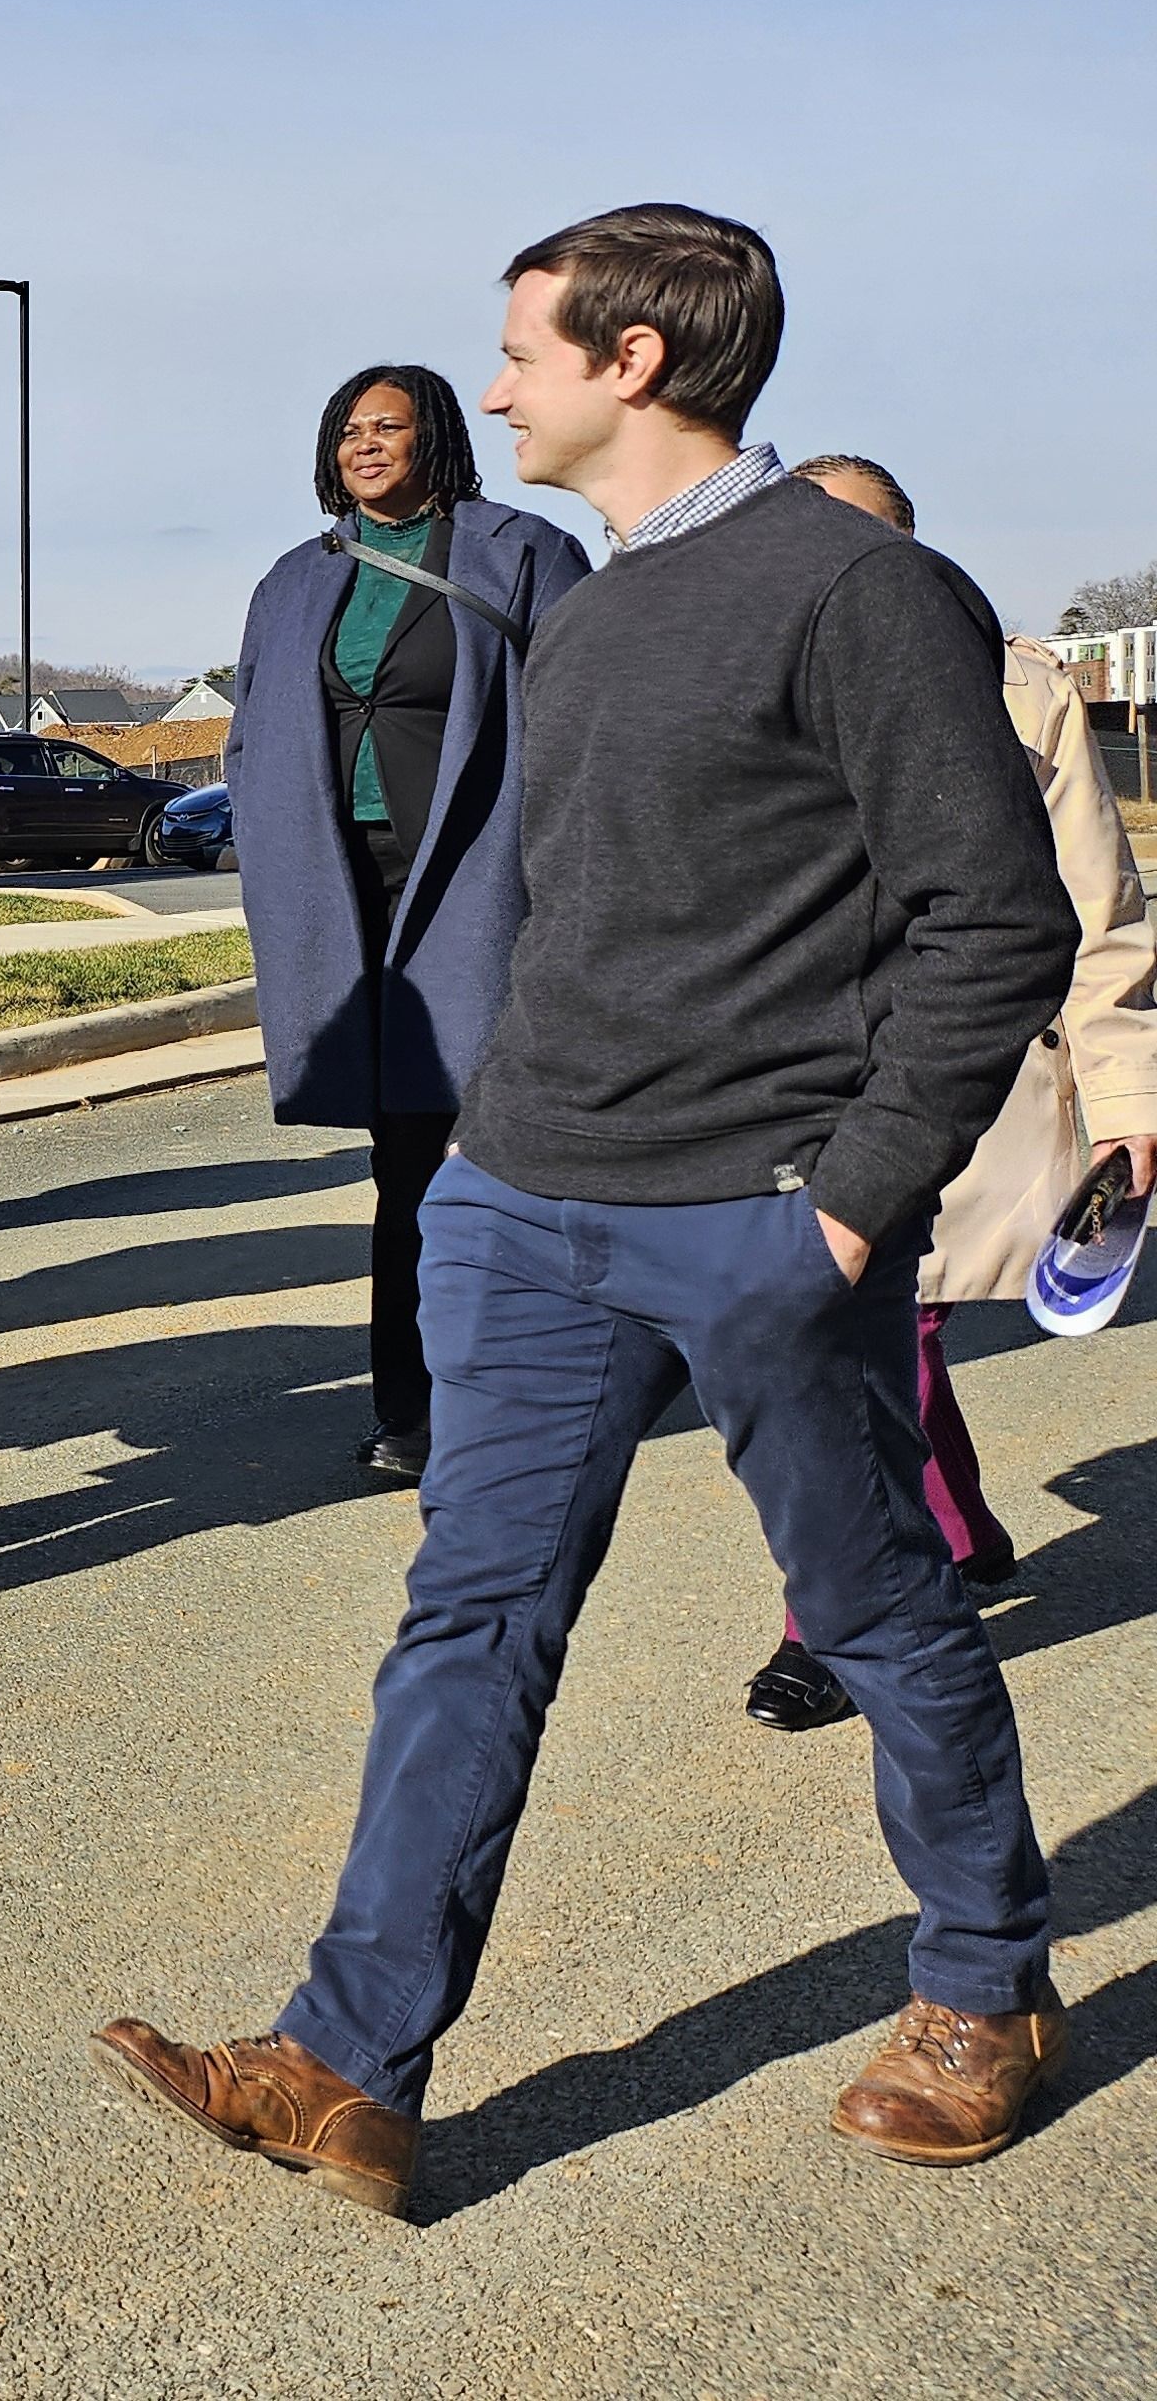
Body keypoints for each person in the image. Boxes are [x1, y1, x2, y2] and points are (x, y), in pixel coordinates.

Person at [98, 205, 1079, 2213]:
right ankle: (344, 2063)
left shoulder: (854, 589)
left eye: (521, 345)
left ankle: (983, 1983)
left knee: (878, 1607)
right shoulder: (591, 609)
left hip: (757, 1211)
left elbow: (994, 921)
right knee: (466, 1616)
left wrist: (848, 1205)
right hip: (521, 1202)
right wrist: (470, 1155)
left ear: (633, 360)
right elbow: (555, 913)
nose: (491, 385)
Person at [735, 455, 1157, 1731]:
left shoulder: (1019, 686)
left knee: (853, 1335)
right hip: (791, 1070)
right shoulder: (729, 678)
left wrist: (1130, 1104)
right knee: (854, 1334)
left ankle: (831, 1622)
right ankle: (958, 1529)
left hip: (959, 1064)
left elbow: (1101, 911)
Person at [226, 367, 592, 1484]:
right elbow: (251, 736)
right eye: (346, 429)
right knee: (406, 1163)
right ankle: (416, 1404)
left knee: (504, 1145)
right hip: (348, 897)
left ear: (436, 436)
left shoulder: (521, 552)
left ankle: (546, 1386)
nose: (363, 444)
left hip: (482, 882)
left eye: (387, 426)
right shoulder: (296, 580)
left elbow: (585, 720)